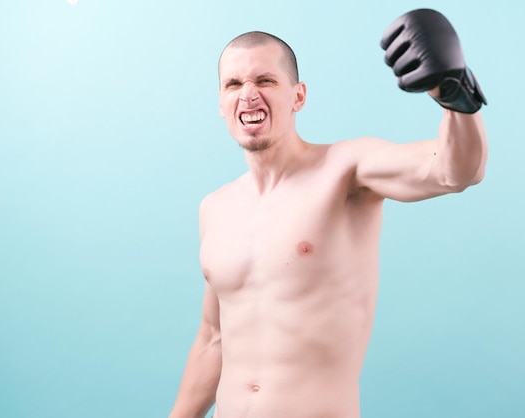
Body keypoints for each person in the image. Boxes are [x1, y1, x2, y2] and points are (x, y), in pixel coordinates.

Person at [169, 8, 488, 418]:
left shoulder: (346, 169)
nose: (248, 94)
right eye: (233, 84)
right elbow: (213, 339)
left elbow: (455, 170)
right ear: (220, 103)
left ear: (298, 95)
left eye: (265, 80)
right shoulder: (215, 207)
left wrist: (453, 92)